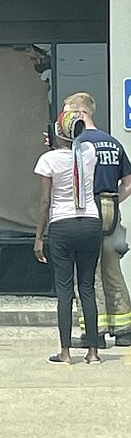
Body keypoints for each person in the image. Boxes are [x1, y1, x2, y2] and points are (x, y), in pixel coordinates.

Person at [34, 110, 102, 364]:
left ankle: (65, 351)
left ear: (57, 133)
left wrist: (39, 236)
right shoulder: (89, 154)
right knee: (87, 287)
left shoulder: (47, 160)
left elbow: (44, 201)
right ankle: (93, 351)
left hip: (62, 224)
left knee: (64, 290)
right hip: (91, 222)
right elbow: (76, 149)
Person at [63, 92, 131, 348]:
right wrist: (113, 201)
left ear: (80, 114)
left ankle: (95, 333)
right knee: (112, 269)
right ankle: (124, 330)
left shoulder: (79, 144)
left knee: (89, 272)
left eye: (67, 113)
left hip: (89, 210)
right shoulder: (113, 142)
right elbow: (128, 182)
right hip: (112, 209)